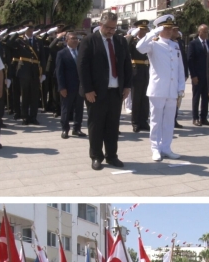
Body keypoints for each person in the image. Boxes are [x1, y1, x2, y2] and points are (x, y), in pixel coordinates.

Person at [77, 11, 132, 171]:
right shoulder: (89, 41)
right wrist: (87, 89)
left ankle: (112, 155)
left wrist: (127, 86)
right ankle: (96, 156)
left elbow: (127, 65)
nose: (111, 31)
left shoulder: (120, 41)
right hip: (95, 92)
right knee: (96, 125)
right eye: (108, 27)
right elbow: (82, 67)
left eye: (114, 28)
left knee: (113, 126)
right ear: (100, 24)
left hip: (116, 91)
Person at [136, 15, 185, 162]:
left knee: (169, 120)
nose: (169, 31)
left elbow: (180, 68)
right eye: (166, 28)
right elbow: (139, 47)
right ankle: (155, 148)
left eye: (171, 28)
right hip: (157, 89)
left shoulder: (175, 45)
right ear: (160, 28)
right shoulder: (153, 43)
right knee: (156, 120)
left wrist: (180, 87)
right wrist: (153, 32)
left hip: (172, 89)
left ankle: (166, 147)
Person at [6, 21, 44, 125]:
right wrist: (18, 33)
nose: (30, 30)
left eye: (32, 28)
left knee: (35, 96)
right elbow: (8, 44)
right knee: (25, 95)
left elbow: (42, 57)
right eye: (28, 28)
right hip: (23, 70)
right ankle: (24, 117)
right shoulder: (19, 41)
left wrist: (43, 72)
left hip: (35, 71)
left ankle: (33, 117)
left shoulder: (38, 41)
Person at [55, 31, 86, 139]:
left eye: (76, 39)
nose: (75, 40)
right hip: (68, 87)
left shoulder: (81, 52)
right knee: (66, 109)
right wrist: (62, 87)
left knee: (79, 108)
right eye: (73, 38)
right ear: (66, 40)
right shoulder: (61, 54)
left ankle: (77, 129)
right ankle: (65, 129)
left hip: (80, 86)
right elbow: (59, 72)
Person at [188, 24, 209, 127]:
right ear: (199, 32)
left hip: (208, 76)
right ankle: (195, 118)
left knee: (206, 98)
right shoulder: (193, 44)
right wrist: (193, 75)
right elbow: (190, 60)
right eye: (204, 32)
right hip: (197, 76)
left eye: (207, 32)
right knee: (196, 97)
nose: (206, 34)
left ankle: (204, 117)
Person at [128, 20, 151, 133]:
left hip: (147, 71)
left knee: (145, 98)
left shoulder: (149, 42)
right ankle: (135, 122)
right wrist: (132, 35)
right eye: (141, 29)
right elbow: (125, 47)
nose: (144, 32)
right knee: (136, 99)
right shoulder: (133, 41)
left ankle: (144, 121)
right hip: (136, 70)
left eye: (145, 29)